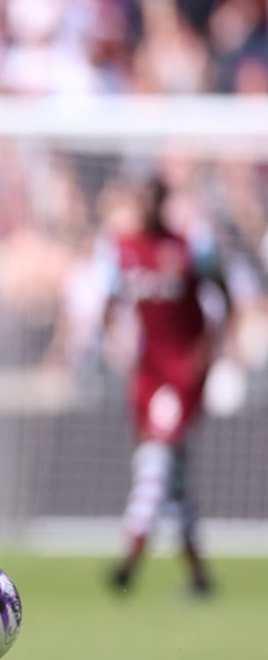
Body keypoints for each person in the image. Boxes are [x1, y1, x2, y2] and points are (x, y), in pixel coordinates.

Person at [104, 177, 231, 598]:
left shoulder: (190, 247)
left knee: (154, 462)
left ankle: (129, 560)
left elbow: (225, 297)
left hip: (182, 372)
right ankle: (198, 575)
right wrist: (113, 338)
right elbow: (110, 301)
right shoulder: (122, 250)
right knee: (174, 481)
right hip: (147, 371)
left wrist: (207, 351)